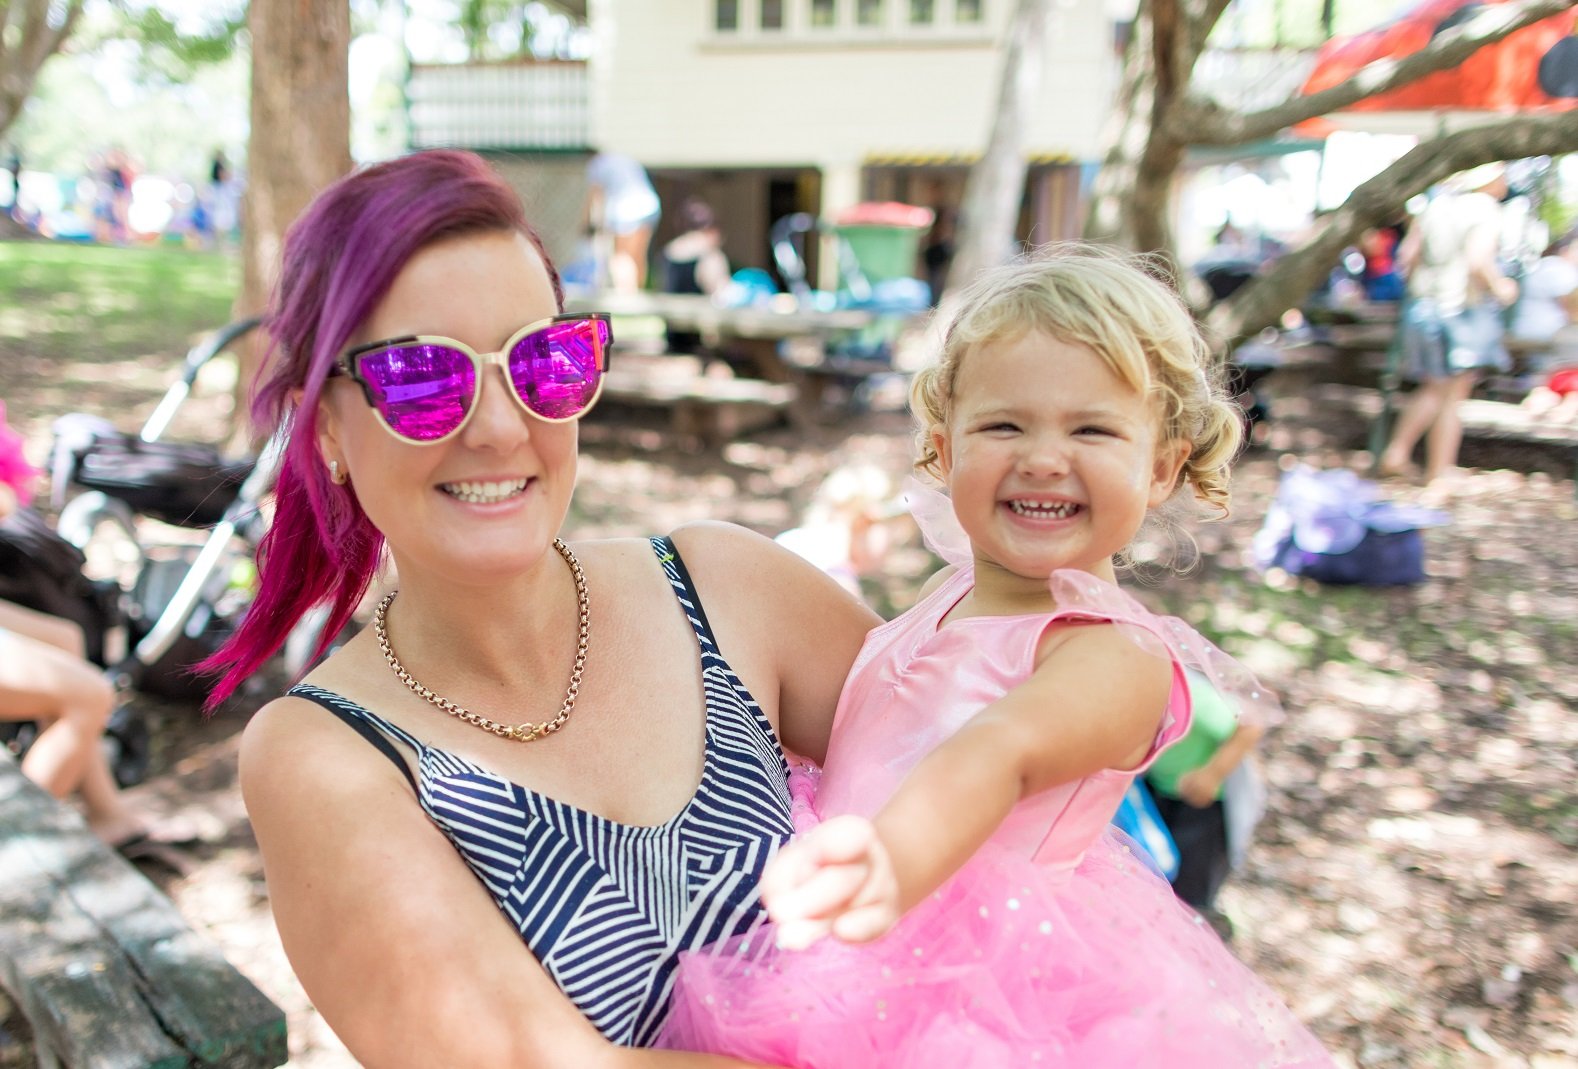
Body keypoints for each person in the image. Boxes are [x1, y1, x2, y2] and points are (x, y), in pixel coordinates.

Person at [198, 149, 879, 1064]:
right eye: (423, 375)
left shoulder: (726, 587)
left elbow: (1002, 770)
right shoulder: (323, 756)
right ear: (326, 428)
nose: (502, 426)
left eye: (544, 360)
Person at [656, 246, 1334, 1066]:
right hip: (838, 928)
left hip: (968, 990)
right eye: (1004, 424)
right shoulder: (949, 597)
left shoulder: (1113, 653)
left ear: (1161, 465)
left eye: (1091, 428)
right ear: (943, 450)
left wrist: (889, 857)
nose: (1045, 456)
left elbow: (997, 751)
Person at [1378, 162, 1518, 486]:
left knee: (1433, 387)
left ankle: (1399, 453)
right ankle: (1438, 473)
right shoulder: (1484, 208)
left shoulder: (1434, 205)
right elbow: (1478, 260)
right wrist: (1503, 289)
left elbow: (1407, 257)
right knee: (1451, 395)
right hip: (1459, 311)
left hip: (1422, 308)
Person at [1144, 669, 1268, 938]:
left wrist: (1211, 774)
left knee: (1190, 895)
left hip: (1205, 808)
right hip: (1161, 793)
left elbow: (1251, 725)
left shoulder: (1191, 695)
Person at [659, 196, 731, 354]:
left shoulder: (668, 251)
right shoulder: (710, 255)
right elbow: (723, 297)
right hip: (700, 338)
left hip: (672, 334)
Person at [586, 150, 661, 293]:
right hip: (649, 204)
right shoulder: (624, 158)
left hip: (626, 209)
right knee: (638, 255)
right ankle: (638, 292)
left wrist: (588, 224)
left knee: (621, 256)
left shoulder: (596, 164)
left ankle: (626, 296)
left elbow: (595, 197)